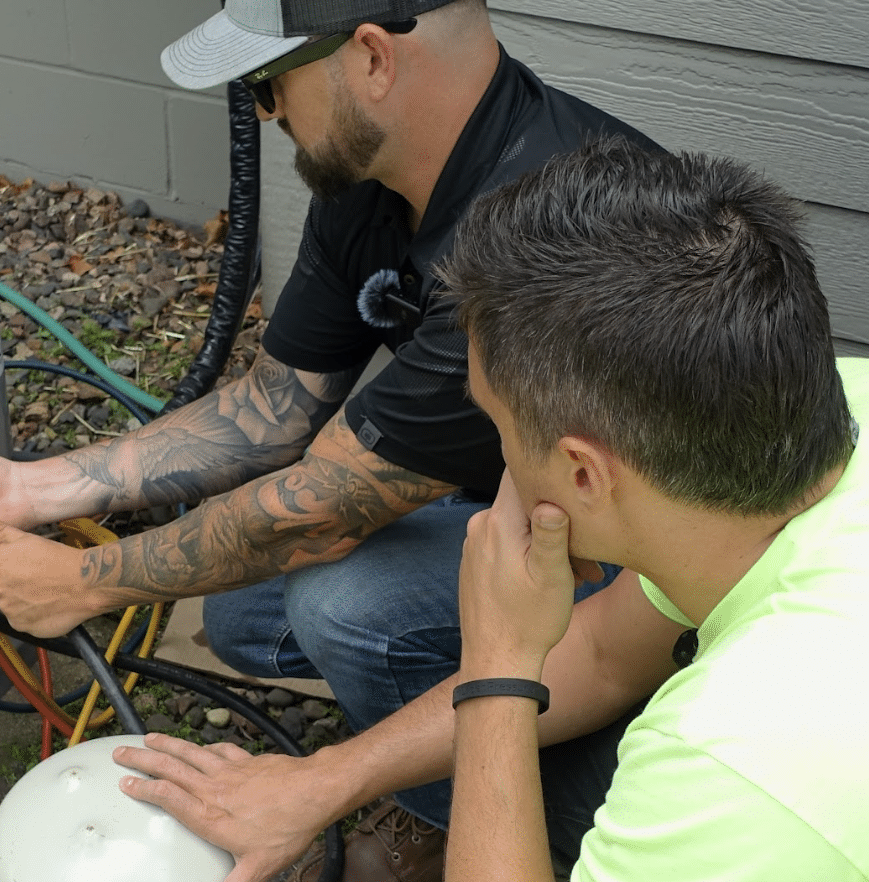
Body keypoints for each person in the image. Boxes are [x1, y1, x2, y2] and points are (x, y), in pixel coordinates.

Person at [0, 0, 655, 877]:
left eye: (267, 81)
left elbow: (324, 501)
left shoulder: (536, 246)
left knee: (339, 605)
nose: (264, 111)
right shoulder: (382, 171)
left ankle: (491, 813)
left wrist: (86, 579)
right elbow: (271, 406)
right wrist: (39, 487)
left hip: (649, 602)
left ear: (372, 59)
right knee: (249, 610)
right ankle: (456, 719)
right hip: (518, 514)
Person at [116, 142, 868, 882]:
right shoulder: (821, 406)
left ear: (583, 471)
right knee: (276, 609)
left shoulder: (738, 760)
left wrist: (500, 664)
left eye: (496, 424)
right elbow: (609, 651)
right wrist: (324, 780)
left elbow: (724, 754)